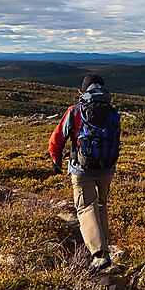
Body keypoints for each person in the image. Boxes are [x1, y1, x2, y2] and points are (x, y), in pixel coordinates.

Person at [49, 74, 121, 273]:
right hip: (107, 168)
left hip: (82, 169)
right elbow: (117, 140)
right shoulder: (112, 112)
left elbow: (57, 138)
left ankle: (99, 255)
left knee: (85, 208)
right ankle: (104, 247)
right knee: (100, 205)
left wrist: (56, 160)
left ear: (84, 90)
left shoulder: (75, 111)